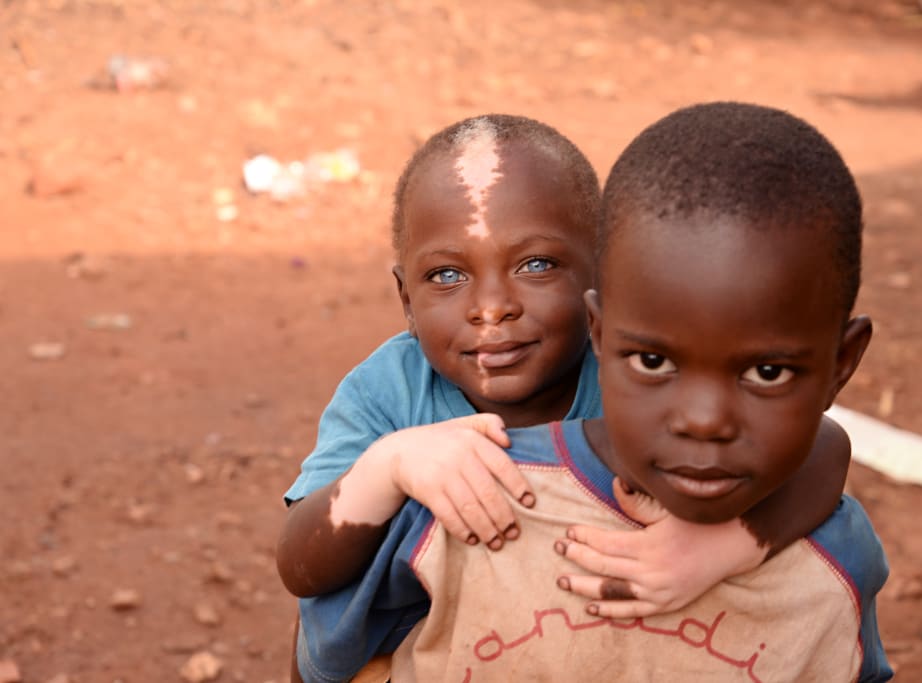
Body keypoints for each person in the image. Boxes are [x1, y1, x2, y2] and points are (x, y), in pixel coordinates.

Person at [279, 112, 865, 681]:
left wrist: (720, 546)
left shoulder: (636, 377)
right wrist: (392, 465)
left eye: (536, 264)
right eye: (447, 276)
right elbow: (303, 568)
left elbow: (825, 449)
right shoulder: (389, 391)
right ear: (406, 299)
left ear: (603, 279)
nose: (491, 307)